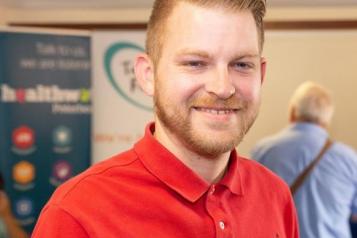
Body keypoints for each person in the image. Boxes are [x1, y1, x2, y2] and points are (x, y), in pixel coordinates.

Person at [32, 0, 299, 237]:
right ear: (148, 75)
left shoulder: (275, 195)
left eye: (241, 64)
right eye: (195, 63)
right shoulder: (76, 214)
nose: (222, 87)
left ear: (260, 75)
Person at [251, 81, 357, 238]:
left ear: (292, 111)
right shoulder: (349, 159)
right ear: (327, 119)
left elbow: (254, 206)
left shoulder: (263, 150)